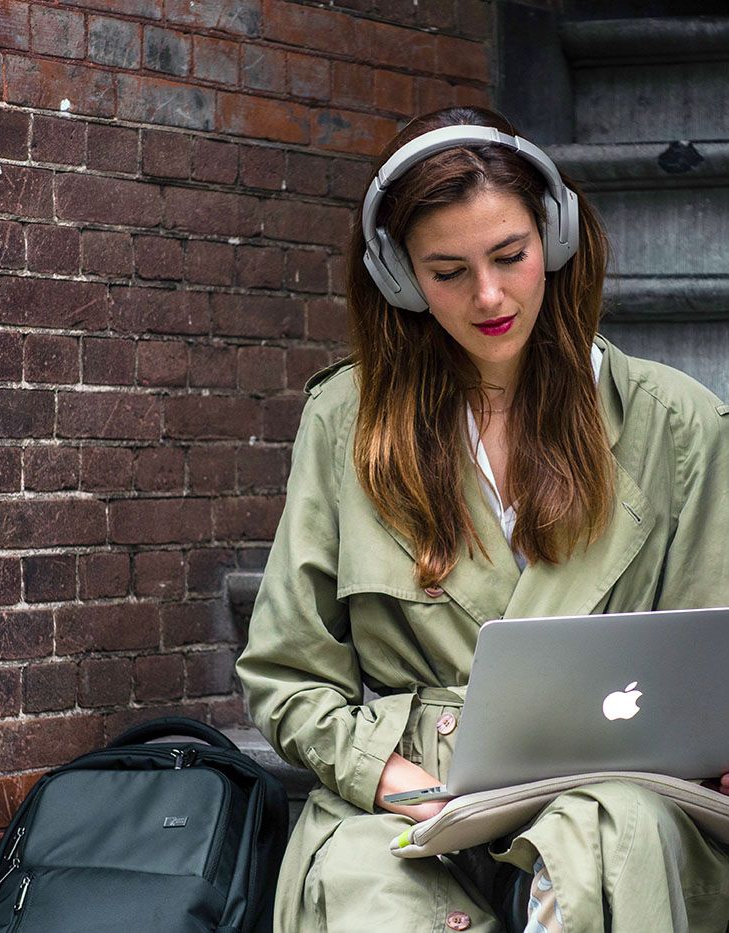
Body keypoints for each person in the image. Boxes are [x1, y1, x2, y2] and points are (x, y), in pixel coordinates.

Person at [235, 106, 729, 932]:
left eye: (510, 256)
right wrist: (384, 775)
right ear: (399, 277)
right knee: (367, 887)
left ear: (557, 239)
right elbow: (287, 674)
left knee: (609, 845)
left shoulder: (676, 424)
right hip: (417, 798)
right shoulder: (344, 420)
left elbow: (711, 660)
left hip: (616, 800)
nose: (488, 295)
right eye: (447, 271)